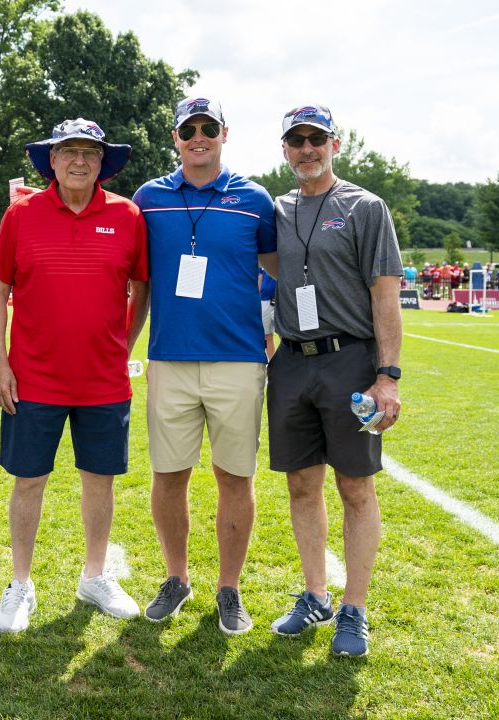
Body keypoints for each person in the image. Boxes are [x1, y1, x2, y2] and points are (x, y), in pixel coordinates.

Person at [0, 118, 150, 632]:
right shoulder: (22, 215)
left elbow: (141, 289)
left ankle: (95, 576)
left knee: (99, 480)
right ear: (50, 160)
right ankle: (20, 583)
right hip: (32, 378)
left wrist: (122, 344)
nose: (80, 160)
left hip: (103, 381)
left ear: (103, 162)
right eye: (69, 151)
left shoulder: (128, 215)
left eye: (90, 152)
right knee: (28, 480)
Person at [131, 96, 278, 634]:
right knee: (168, 475)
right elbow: (138, 282)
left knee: (233, 476)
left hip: (239, 360)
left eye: (208, 127)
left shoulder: (255, 199)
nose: (199, 136)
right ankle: (177, 578)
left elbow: (280, 269)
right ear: (175, 137)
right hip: (169, 359)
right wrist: (122, 343)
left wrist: (278, 328)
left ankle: (229, 588)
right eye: (188, 128)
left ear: (224, 133)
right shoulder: (148, 198)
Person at [265, 104, 403, 658]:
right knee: (301, 484)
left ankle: (355, 607)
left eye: (315, 139)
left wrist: (387, 376)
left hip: (349, 359)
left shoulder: (365, 206)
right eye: (296, 140)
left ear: (335, 145)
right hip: (292, 361)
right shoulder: (275, 209)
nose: (306, 149)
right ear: (285, 149)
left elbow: (385, 295)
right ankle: (316, 595)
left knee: (355, 486)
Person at [260, 266, 279, 359]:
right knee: (267, 335)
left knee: (284, 335)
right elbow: (259, 276)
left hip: (280, 299)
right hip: (264, 300)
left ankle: (287, 363)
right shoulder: (260, 256)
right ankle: (272, 362)